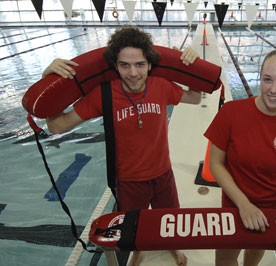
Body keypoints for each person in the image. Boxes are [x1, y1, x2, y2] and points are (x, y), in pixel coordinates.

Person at [43, 26, 202, 266]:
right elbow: (57, 126)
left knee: (169, 220)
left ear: (149, 64)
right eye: (124, 65)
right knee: (133, 229)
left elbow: (196, 97)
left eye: (139, 64)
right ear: (115, 66)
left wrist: (192, 68)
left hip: (163, 175)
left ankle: (173, 246)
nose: (133, 73)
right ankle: (138, 250)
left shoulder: (160, 85)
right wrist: (50, 81)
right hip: (128, 181)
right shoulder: (103, 94)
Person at [204, 48, 276, 266]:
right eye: (267, 79)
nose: (273, 89)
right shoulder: (231, 112)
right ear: (260, 78)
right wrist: (243, 204)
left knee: (253, 257)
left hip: (273, 207)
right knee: (224, 260)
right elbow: (216, 164)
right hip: (235, 203)